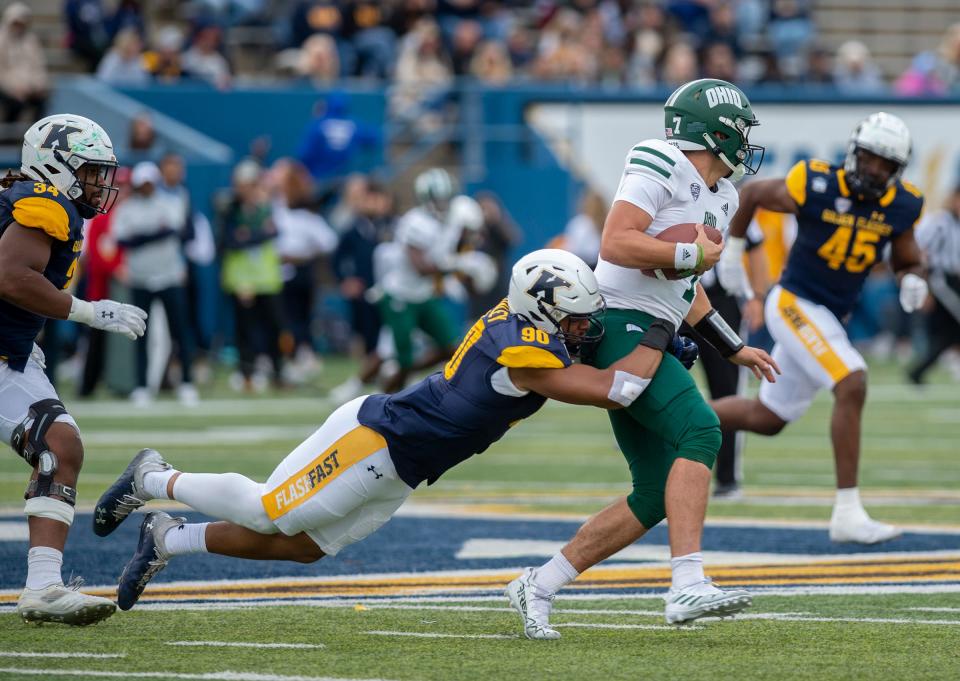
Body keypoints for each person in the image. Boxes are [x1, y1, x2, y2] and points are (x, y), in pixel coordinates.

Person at [93, 249, 696, 612]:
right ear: (542, 312)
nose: (586, 329)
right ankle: (154, 475)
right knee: (266, 508)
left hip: (406, 465)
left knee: (305, 547)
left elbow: (593, 364)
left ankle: (166, 540)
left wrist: (654, 345)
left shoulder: (530, 329)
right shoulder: (526, 354)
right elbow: (614, 388)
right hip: (376, 440)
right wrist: (661, 329)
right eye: (577, 319)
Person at [508, 79, 779, 639]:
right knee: (703, 431)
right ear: (714, 130)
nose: (746, 141)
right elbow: (616, 242)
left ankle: (539, 584)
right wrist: (687, 252)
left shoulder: (723, 195)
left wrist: (734, 346)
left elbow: (689, 290)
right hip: (617, 323)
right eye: (740, 130)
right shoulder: (659, 161)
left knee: (654, 491)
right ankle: (685, 584)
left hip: (655, 326)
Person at [713, 112, 927, 544]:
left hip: (827, 315)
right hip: (793, 301)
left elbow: (907, 256)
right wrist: (734, 251)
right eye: (870, 159)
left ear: (897, 170)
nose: (875, 170)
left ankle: (669, 420)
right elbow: (751, 193)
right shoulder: (817, 182)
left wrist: (913, 279)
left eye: (886, 165)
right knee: (852, 381)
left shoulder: (901, 203)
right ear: (854, 153)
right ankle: (847, 511)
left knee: (768, 417)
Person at [0, 114, 147, 625]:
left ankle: (43, 586)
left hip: (9, 356)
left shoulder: (33, 196)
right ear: (57, 165)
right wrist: (90, 310)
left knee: (60, 445)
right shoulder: (45, 203)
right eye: (89, 171)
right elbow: (13, 278)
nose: (98, 184)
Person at [373, 168, 477, 393]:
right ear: (426, 199)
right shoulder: (415, 222)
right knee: (404, 359)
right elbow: (421, 267)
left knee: (452, 347)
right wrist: (459, 265)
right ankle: (389, 396)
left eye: (447, 199)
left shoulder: (450, 221)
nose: (443, 203)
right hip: (400, 294)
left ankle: (406, 379)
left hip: (423, 294)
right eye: (439, 199)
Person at [111, 161, 197, 407]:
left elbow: (174, 231)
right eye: (143, 184)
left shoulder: (171, 203)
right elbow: (123, 241)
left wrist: (142, 237)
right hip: (140, 278)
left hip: (169, 276)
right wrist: (153, 235)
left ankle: (187, 383)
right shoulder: (127, 209)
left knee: (179, 331)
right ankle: (141, 385)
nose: (147, 188)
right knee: (140, 332)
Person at [908, 184, 960, 384]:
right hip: (939, 279)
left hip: (954, 280)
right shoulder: (940, 222)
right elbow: (916, 248)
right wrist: (924, 285)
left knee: (947, 331)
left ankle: (918, 372)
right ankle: (920, 370)